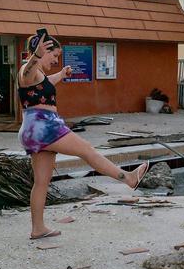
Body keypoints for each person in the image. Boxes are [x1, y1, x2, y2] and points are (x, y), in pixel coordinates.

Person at [18, 31, 147, 239]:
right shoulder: (28, 69)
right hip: (45, 126)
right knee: (87, 150)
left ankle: (37, 228)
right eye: (54, 55)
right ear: (43, 51)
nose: (56, 60)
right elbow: (26, 74)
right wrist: (35, 56)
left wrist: (61, 74)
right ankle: (128, 178)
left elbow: (44, 83)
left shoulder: (40, 76)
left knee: (41, 182)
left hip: (32, 130)